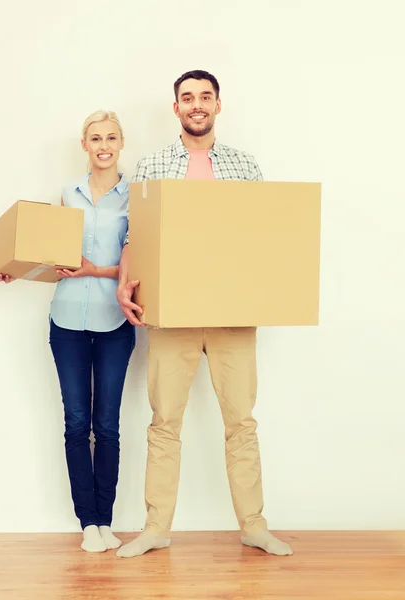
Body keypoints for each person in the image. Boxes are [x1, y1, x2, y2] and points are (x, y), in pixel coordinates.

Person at [115, 71, 293, 558]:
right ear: (175, 108)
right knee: (163, 420)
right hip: (172, 312)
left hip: (233, 311)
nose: (197, 105)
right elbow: (136, 236)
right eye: (187, 98)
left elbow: (262, 235)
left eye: (205, 97)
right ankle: (155, 529)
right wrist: (124, 285)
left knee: (241, 421)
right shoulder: (152, 164)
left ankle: (254, 526)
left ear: (218, 105)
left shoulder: (245, 165)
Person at [0, 110, 135, 553]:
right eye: (95, 138)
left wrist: (98, 270)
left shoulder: (137, 198)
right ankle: (87, 521)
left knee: (106, 425)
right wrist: (12, 269)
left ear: (121, 142)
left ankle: (106, 520)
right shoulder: (66, 196)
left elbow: (141, 262)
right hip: (67, 321)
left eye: (111, 137)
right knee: (76, 422)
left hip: (114, 322)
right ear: (84, 145)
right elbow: (48, 253)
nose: (103, 144)